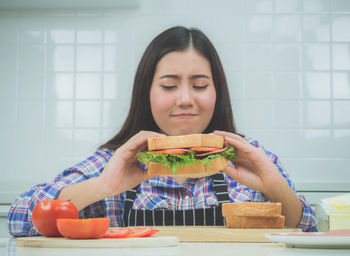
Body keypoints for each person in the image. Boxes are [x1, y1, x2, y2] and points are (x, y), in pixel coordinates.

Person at [8, 26, 317, 236]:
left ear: (217, 93)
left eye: (200, 85)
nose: (185, 99)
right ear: (148, 93)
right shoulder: (114, 161)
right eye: (169, 85)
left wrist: (274, 185)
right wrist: (102, 186)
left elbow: (306, 232)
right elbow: (20, 218)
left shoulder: (248, 157)